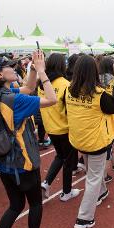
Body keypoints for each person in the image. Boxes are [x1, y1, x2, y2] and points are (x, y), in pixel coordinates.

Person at [0, 51, 57, 228]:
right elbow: (52, 99)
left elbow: (28, 88)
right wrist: (42, 72)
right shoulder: (15, 100)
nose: (13, 68)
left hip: (3, 161)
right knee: (36, 204)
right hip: (24, 162)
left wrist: (32, 69)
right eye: (9, 66)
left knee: (15, 206)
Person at [65, 54, 114, 228]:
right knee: (93, 178)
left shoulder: (69, 90)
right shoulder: (99, 94)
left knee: (92, 171)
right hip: (96, 141)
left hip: (78, 138)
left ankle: (102, 192)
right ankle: (84, 218)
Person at [39, 53, 80, 202]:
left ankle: (46, 182)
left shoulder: (42, 83)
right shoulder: (65, 84)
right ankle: (66, 192)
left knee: (60, 156)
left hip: (50, 127)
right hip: (64, 128)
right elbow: (71, 109)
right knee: (68, 161)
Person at [99, 56, 114, 182]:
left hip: (98, 117)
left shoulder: (94, 81)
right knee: (107, 148)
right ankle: (104, 176)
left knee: (108, 145)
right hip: (112, 118)